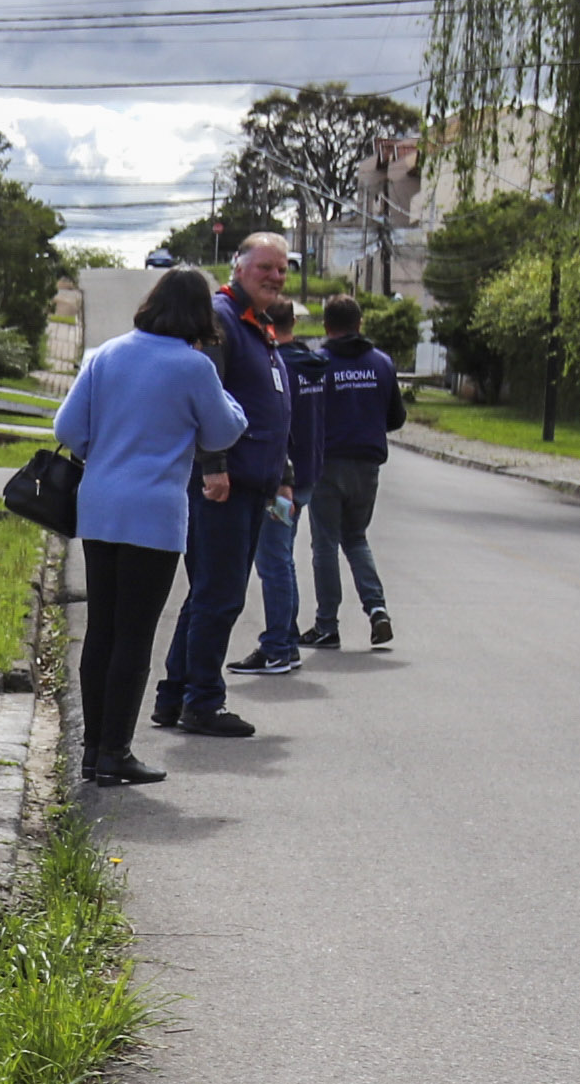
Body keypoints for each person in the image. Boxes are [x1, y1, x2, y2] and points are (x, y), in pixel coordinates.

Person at [54, 269, 249, 785]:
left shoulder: (106, 354)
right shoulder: (194, 367)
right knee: (134, 637)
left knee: (101, 630)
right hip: (154, 514)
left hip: (99, 507)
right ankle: (118, 751)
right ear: (198, 315)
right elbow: (224, 429)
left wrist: (108, 452)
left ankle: (93, 749)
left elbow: (67, 428)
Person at [155, 233, 297, 737]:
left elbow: (270, 409)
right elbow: (205, 399)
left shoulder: (258, 326)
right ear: (239, 267)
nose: (275, 277)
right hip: (223, 484)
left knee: (208, 593)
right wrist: (214, 465)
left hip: (254, 483)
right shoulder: (222, 322)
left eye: (282, 269)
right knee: (220, 595)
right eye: (265, 267)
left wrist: (283, 477)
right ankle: (203, 702)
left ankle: (174, 695)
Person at [299, 295, 406, 648]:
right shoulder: (382, 363)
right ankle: (377, 609)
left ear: (327, 326)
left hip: (327, 462)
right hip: (367, 463)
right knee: (356, 537)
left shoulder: (318, 363)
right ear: (360, 324)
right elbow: (396, 417)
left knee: (325, 543)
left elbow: (305, 415)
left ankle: (327, 624)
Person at [235, 301, 329, 675]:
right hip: (308, 474)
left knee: (273, 561)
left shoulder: (277, 365)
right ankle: (285, 639)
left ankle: (277, 646)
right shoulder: (314, 366)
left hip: (280, 479)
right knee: (282, 560)